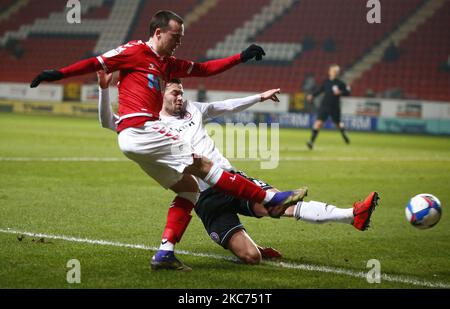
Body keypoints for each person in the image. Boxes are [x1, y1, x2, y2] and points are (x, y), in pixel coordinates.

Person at [30, 10, 305, 270]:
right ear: (159, 32)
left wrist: (240, 57)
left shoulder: (168, 64)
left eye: (181, 38)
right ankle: (269, 196)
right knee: (203, 164)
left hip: (134, 139)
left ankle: (165, 253)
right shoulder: (134, 50)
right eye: (176, 37)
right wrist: (58, 74)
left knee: (189, 190)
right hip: (142, 129)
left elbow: (206, 69)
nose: (179, 43)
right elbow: (97, 63)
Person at [98, 72, 380, 266]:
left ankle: (352, 215)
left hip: (230, 179)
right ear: (162, 95)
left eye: (182, 93)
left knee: (280, 205)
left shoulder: (194, 110)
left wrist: (259, 97)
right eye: (175, 93)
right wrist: (103, 89)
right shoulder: (147, 123)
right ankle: (253, 247)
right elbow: (108, 122)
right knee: (251, 258)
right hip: (205, 199)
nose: (180, 98)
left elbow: (227, 105)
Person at [306, 64, 351, 150]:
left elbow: (348, 92)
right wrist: (312, 95)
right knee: (318, 123)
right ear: (330, 72)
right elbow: (320, 90)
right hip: (325, 106)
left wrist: (340, 92)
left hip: (335, 107)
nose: (335, 72)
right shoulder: (326, 82)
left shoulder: (340, 83)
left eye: (336, 71)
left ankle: (344, 133)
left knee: (338, 124)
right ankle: (311, 142)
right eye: (334, 71)